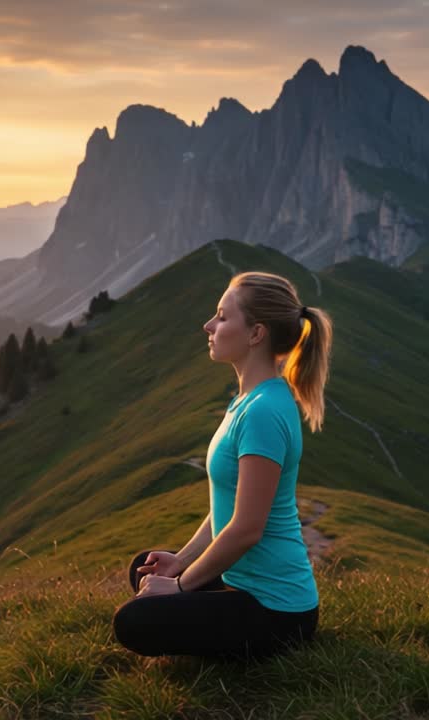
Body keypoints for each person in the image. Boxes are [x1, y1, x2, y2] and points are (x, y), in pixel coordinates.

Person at [112, 271, 333, 660]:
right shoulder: (247, 400)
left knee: (134, 621)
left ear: (255, 334)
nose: (209, 325)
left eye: (222, 316)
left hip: (278, 611)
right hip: (243, 583)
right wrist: (180, 562)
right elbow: (225, 508)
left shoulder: (264, 411)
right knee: (146, 568)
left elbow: (247, 528)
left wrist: (180, 588)